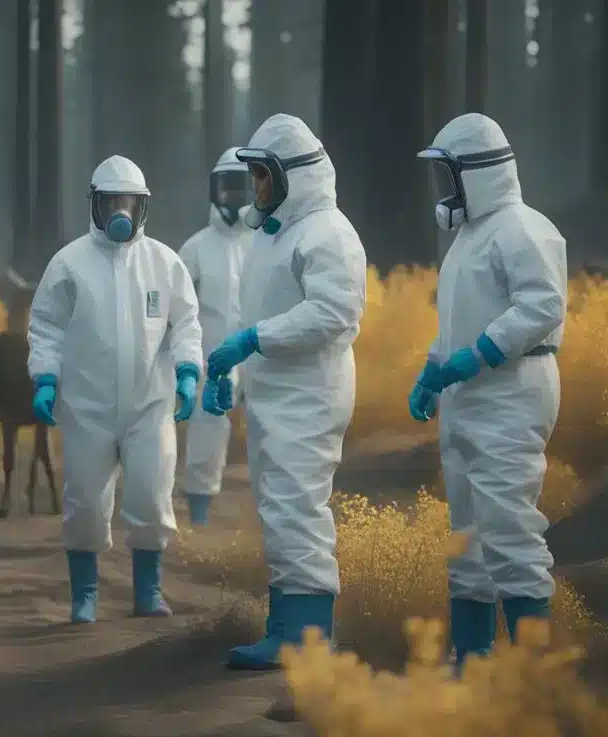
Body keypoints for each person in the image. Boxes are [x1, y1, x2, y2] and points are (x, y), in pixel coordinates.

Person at [202, 114, 367, 670]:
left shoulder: (327, 232)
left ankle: (308, 638)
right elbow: (270, 313)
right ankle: (288, 625)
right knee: (280, 508)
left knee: (298, 507)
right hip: (280, 395)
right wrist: (238, 379)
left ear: (293, 175)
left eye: (262, 176)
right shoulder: (276, 235)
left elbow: (333, 312)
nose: (255, 189)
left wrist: (251, 340)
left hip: (310, 395)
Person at [408, 112, 566, 666]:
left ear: (474, 174)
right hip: (470, 394)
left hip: (512, 391)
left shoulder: (523, 228)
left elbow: (543, 307)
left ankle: (531, 673)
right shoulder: (471, 238)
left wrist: (477, 356)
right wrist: (435, 369)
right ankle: (472, 659)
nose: (442, 191)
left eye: (447, 176)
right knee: (468, 538)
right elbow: (457, 322)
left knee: (508, 529)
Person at [29, 154, 203, 624]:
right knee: (85, 500)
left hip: (151, 404)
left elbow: (186, 321)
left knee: (150, 495)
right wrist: (45, 378)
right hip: (86, 406)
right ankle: (84, 594)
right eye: (111, 202)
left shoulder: (164, 263)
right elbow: (46, 326)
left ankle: (149, 590)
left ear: (142, 206)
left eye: (129, 202)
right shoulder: (69, 263)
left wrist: (188, 369)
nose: (119, 212)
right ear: (96, 205)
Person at [177, 147, 254, 526]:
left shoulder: (267, 242)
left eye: (241, 189)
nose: (233, 198)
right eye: (227, 189)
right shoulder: (195, 247)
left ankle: (269, 518)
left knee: (272, 432)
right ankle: (200, 515)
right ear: (213, 191)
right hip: (212, 355)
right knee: (207, 430)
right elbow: (175, 306)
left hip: (261, 354)